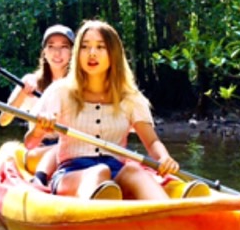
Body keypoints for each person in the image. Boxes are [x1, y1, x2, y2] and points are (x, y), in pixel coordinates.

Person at [26, 20, 181, 200]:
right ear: (78, 53)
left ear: (113, 53)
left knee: (133, 170)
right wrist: (39, 129)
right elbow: (29, 143)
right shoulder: (60, 91)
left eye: (100, 47)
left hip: (117, 173)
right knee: (99, 171)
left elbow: (152, 142)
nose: (92, 53)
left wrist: (164, 158)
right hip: (71, 174)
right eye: (85, 47)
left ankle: (168, 213)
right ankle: (94, 210)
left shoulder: (130, 97)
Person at [3, 23, 74, 182]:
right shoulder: (30, 81)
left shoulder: (80, 86)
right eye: (51, 46)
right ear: (44, 52)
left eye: (64, 46)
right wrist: (22, 94)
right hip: (39, 151)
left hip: (73, 148)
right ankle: (42, 177)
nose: (57, 53)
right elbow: (4, 120)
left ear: (72, 52)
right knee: (68, 150)